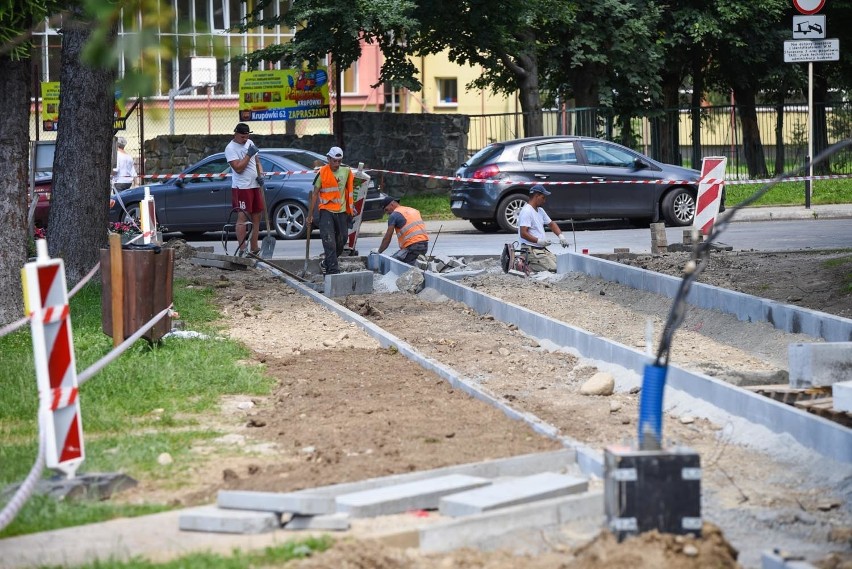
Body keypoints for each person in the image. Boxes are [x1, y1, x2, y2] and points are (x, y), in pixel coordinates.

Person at [309, 146, 353, 274]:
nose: (337, 164)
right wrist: (310, 214)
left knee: (343, 239)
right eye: (334, 161)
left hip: (342, 211)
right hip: (326, 210)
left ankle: (326, 263)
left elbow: (349, 189)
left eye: (339, 161)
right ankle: (333, 271)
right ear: (328, 159)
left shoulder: (346, 171)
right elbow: (315, 193)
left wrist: (352, 207)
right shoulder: (322, 172)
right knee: (329, 241)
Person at [225, 122, 264, 256]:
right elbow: (238, 168)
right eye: (242, 137)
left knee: (257, 215)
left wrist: (261, 174)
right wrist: (248, 155)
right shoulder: (230, 148)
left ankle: (254, 248)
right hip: (242, 187)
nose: (245, 139)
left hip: (255, 185)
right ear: (235, 134)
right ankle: (242, 249)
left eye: (247, 136)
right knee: (243, 216)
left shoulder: (250, 143)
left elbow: (257, 162)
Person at [517, 184, 569, 272]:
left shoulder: (540, 210)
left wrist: (561, 237)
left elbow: (551, 224)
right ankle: (527, 266)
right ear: (536, 196)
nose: (544, 201)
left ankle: (533, 265)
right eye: (543, 197)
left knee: (562, 265)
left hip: (540, 250)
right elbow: (523, 233)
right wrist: (539, 241)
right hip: (530, 251)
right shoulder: (527, 211)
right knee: (555, 269)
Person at [377, 196, 429, 265]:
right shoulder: (413, 210)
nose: (387, 213)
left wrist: (379, 252)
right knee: (415, 265)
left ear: (392, 204)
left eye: (386, 209)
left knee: (393, 265)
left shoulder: (394, 215)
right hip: (424, 246)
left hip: (412, 247)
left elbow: (387, 238)